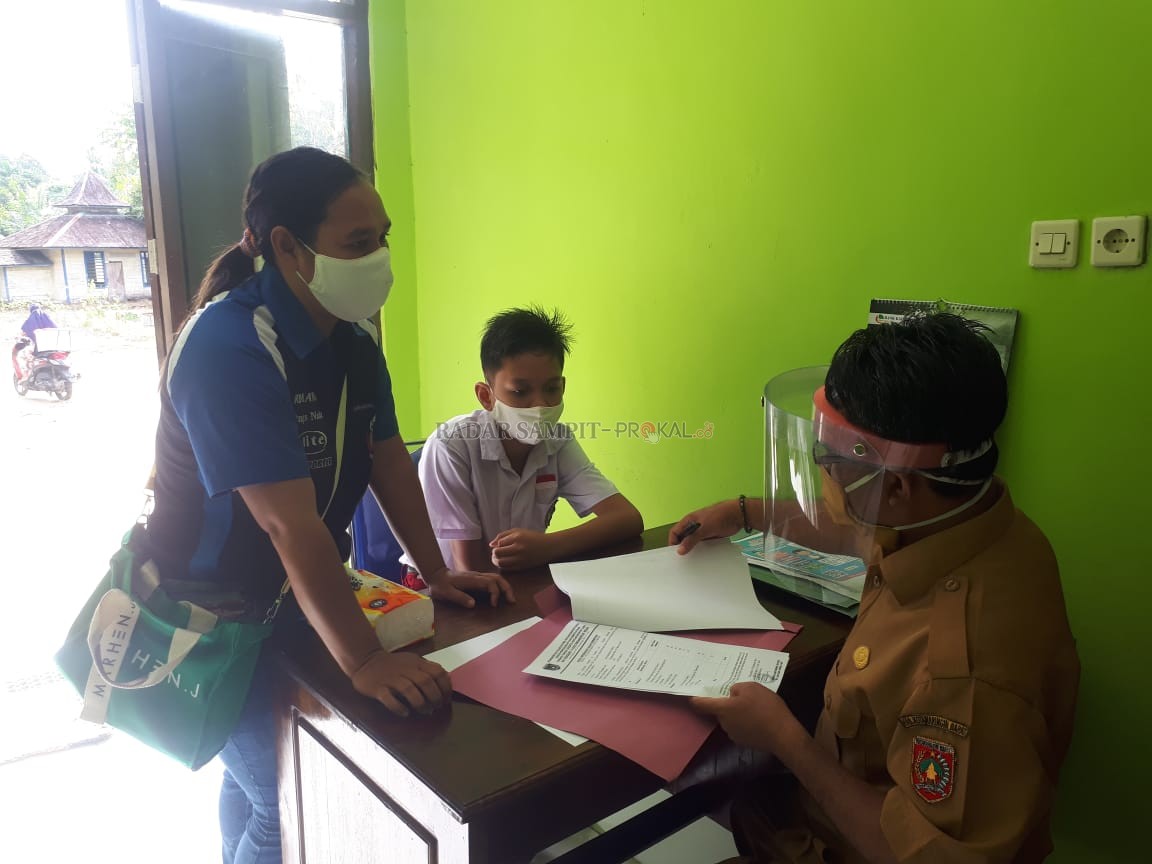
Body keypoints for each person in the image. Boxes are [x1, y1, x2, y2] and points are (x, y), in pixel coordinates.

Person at [140, 147, 514, 864]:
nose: (380, 259)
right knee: (283, 801)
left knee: (256, 786)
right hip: (214, 615)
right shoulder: (229, 345)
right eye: (357, 243)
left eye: (383, 237)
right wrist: (365, 660)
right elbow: (287, 522)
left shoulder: (352, 337)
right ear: (288, 247)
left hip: (293, 600)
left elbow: (387, 461)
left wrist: (433, 572)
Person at [669, 313, 1079, 863]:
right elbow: (859, 526)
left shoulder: (965, 671)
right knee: (736, 793)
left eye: (833, 467)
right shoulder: (973, 519)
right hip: (816, 806)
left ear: (900, 486)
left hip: (852, 846)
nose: (826, 483)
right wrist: (744, 512)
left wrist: (785, 740)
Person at [413, 305, 643, 575]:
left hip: (519, 578)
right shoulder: (451, 445)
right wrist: (546, 551)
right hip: (445, 586)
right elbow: (469, 568)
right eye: (520, 392)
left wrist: (548, 546)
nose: (540, 405)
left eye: (552, 389)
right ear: (486, 396)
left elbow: (627, 519)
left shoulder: (557, 441)